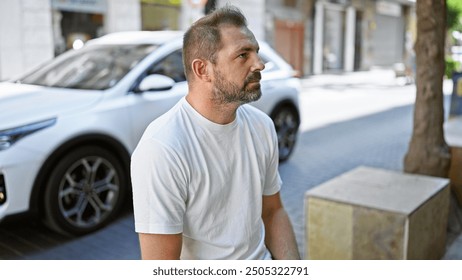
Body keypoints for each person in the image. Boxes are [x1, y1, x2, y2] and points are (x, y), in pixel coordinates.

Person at [130, 4, 300, 260]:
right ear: (202, 70)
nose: (260, 64)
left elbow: (273, 212)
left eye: (256, 52)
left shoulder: (262, 126)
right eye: (243, 55)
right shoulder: (162, 148)